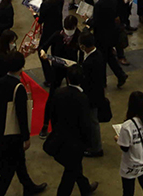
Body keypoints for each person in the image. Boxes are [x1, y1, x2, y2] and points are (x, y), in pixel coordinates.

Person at [0, 52, 47, 196]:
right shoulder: (19, 88)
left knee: (19, 162)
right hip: (13, 135)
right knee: (9, 170)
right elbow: (21, 116)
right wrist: (25, 137)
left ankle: (29, 187)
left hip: (1, 130)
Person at [46, 65, 99, 196]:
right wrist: (87, 143)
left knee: (74, 168)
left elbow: (53, 116)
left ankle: (85, 188)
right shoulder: (82, 98)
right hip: (76, 143)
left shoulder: (59, 93)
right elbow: (86, 124)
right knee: (70, 174)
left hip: (60, 138)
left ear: (67, 79)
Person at [40, 15, 83, 138]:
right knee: (52, 96)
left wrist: (79, 66)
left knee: (73, 97)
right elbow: (44, 46)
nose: (68, 31)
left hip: (72, 70)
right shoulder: (57, 35)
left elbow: (81, 53)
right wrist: (43, 53)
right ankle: (45, 125)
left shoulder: (78, 36)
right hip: (57, 69)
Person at [117, 91, 143, 196]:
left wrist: (118, 139)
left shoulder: (127, 126)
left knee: (128, 191)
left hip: (130, 166)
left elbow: (125, 148)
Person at [90, 0, 129, 87]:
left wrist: (87, 20)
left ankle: (103, 82)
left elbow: (96, 22)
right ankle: (120, 75)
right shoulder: (113, 0)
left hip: (101, 35)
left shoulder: (99, 5)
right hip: (111, 33)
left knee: (102, 59)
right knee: (109, 56)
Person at [78, 32, 106, 157]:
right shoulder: (98, 54)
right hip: (97, 92)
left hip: (91, 96)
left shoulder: (90, 62)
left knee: (93, 122)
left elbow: (86, 80)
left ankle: (96, 148)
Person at [38, 0, 65, 84]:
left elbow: (41, 20)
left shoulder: (45, 4)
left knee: (41, 50)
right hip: (58, 29)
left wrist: (35, 14)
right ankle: (57, 75)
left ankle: (49, 76)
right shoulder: (61, 0)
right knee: (56, 53)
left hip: (48, 31)